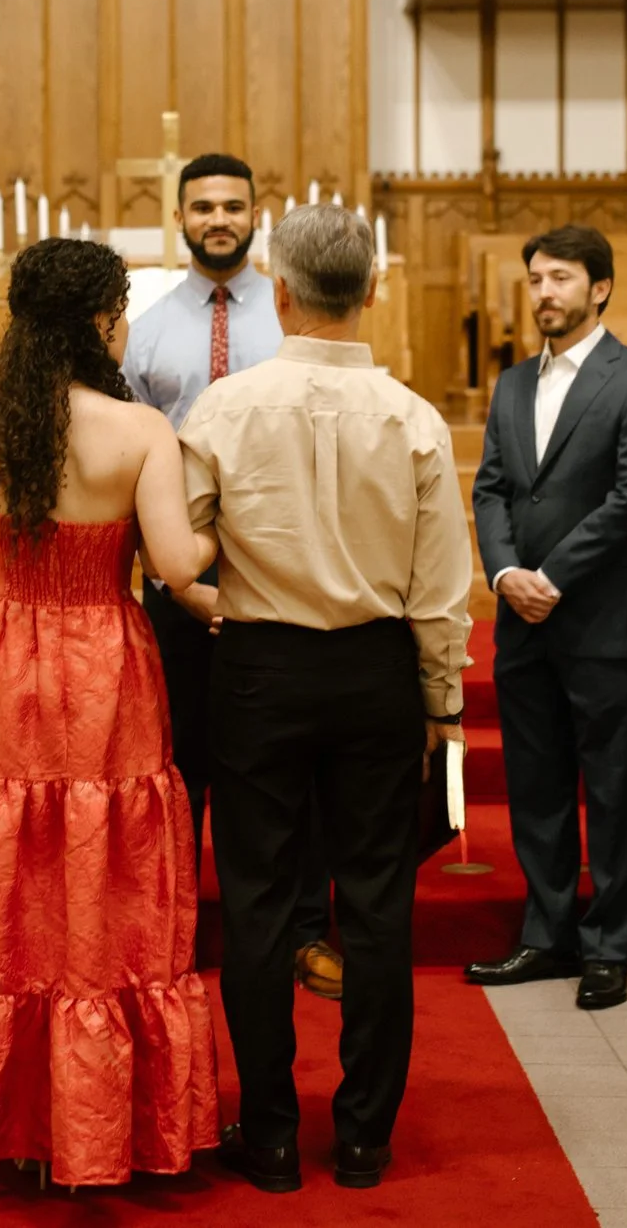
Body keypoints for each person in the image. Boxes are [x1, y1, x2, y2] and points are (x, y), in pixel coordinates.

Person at [0, 237, 219, 1185]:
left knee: (6, 872)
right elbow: (180, 569)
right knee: (103, 869)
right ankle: (101, 1120)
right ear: (103, 321)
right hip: (106, 661)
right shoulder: (140, 432)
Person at [180, 204, 472, 1193]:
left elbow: (183, 543)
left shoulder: (222, 407)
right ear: (375, 291)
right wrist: (444, 701)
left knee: (257, 903)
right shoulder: (414, 416)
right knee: (379, 905)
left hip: (259, 665)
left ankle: (265, 1131)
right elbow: (441, 585)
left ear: (280, 290)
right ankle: (361, 1136)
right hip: (376, 670)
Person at [121, 151, 338, 1000]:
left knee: (293, 766)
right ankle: (171, 932)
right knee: (180, 769)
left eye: (233, 205)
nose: (219, 218)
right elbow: (131, 455)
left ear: (260, 214)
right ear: (179, 216)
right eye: (203, 205)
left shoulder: (296, 321)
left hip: (283, 568)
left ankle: (301, 934)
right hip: (177, 584)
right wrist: (176, 579)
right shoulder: (148, 330)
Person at [466, 226, 627, 1010]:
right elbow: (491, 486)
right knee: (537, 780)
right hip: (523, 616)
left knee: (613, 784)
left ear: (601, 288)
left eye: (560, 277)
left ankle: (610, 944)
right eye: (534, 279)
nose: (544, 291)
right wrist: (504, 572)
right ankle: (548, 932)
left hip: (603, 618)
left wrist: (552, 574)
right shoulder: (515, 383)